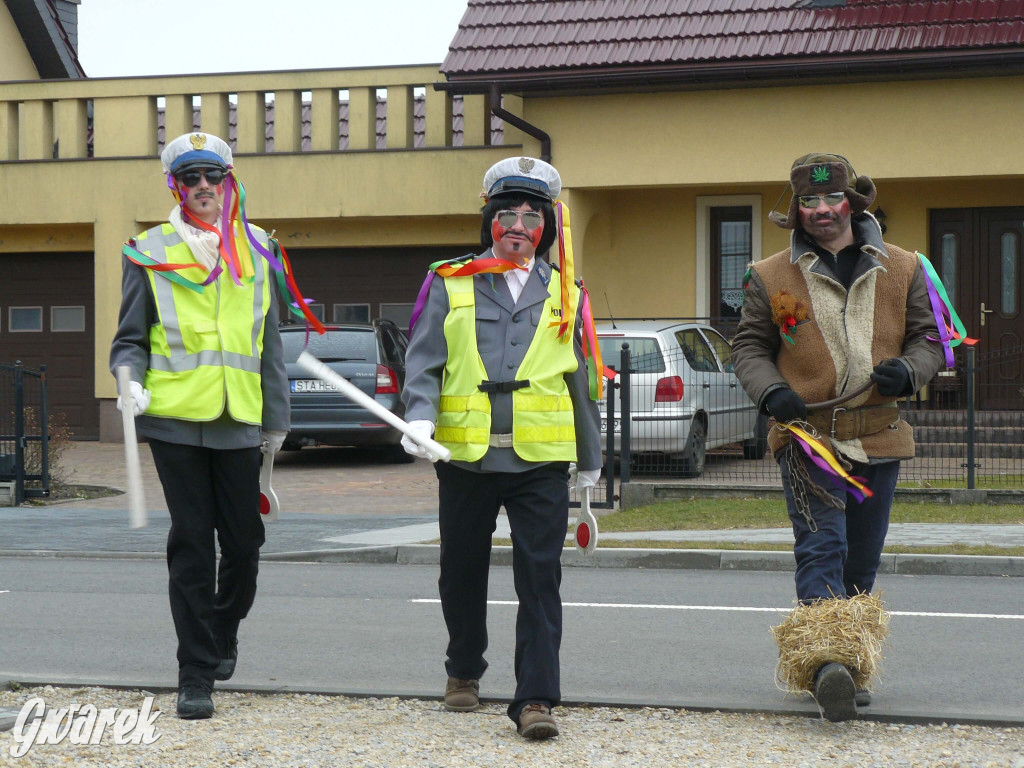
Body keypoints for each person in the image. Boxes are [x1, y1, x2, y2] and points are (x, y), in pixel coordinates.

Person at [109, 132, 318, 719]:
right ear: (176, 185)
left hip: (239, 421)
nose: (204, 188)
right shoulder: (148, 250)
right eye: (191, 178)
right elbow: (129, 341)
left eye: (214, 177)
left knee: (246, 545)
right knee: (193, 548)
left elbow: (268, 343)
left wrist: (277, 420)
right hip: (175, 421)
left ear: (230, 183)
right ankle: (194, 673)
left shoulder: (259, 247)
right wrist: (129, 380)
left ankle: (223, 629)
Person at [732, 153, 945, 722]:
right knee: (821, 548)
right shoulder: (769, 275)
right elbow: (749, 348)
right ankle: (828, 665)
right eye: (809, 201)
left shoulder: (905, 266)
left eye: (832, 199)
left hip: (879, 437)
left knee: (862, 561)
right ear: (797, 210)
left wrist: (910, 370)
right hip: (808, 439)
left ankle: (848, 667)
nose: (823, 210)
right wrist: (770, 391)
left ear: (852, 202)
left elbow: (930, 340)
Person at [401, 156, 604, 740]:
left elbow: (580, 379)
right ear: (489, 219)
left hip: (539, 460)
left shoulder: (568, 291)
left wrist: (588, 461)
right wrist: (419, 418)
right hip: (464, 458)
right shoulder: (450, 282)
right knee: (459, 572)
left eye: (532, 214)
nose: (519, 224)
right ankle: (463, 670)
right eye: (507, 213)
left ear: (549, 225)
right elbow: (424, 362)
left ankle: (535, 698)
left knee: (540, 577)